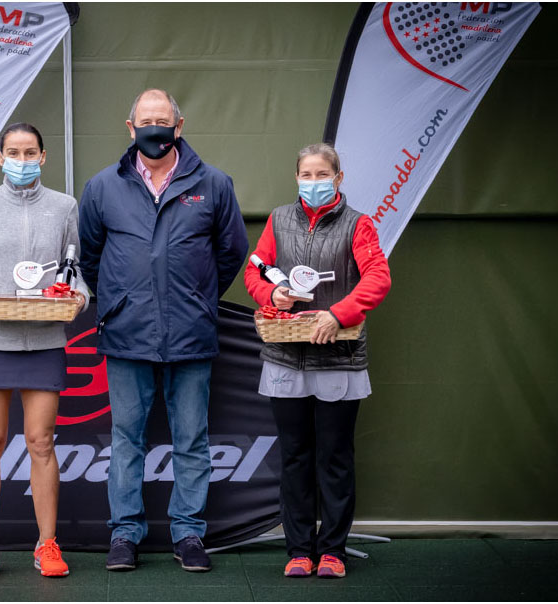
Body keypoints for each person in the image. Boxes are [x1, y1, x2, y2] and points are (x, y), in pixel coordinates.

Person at [78, 89, 249, 572]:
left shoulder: (214, 184)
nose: (155, 128)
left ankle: (189, 534)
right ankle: (124, 535)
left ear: (179, 125)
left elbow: (232, 251)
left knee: (191, 439)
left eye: (163, 120)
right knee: (126, 439)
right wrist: (119, 301)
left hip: (190, 333)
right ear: (130, 128)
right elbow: (91, 256)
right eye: (146, 121)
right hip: (126, 334)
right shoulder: (102, 186)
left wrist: (196, 298)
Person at [0, 122, 89, 581]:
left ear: (43, 157)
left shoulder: (65, 207)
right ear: (0, 157)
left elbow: (77, 270)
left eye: (30, 153)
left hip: (45, 340)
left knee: (41, 443)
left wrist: (79, 298)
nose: (21, 161)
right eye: (13, 153)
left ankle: (47, 544)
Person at [244, 143, 391, 579]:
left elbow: (377, 278)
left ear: (338, 178)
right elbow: (254, 270)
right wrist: (272, 294)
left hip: (339, 360)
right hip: (286, 358)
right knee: (294, 457)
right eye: (306, 175)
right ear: (296, 178)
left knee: (334, 458)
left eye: (322, 174)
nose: (313, 182)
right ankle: (298, 551)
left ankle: (332, 552)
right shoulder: (278, 220)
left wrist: (338, 314)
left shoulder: (358, 225)